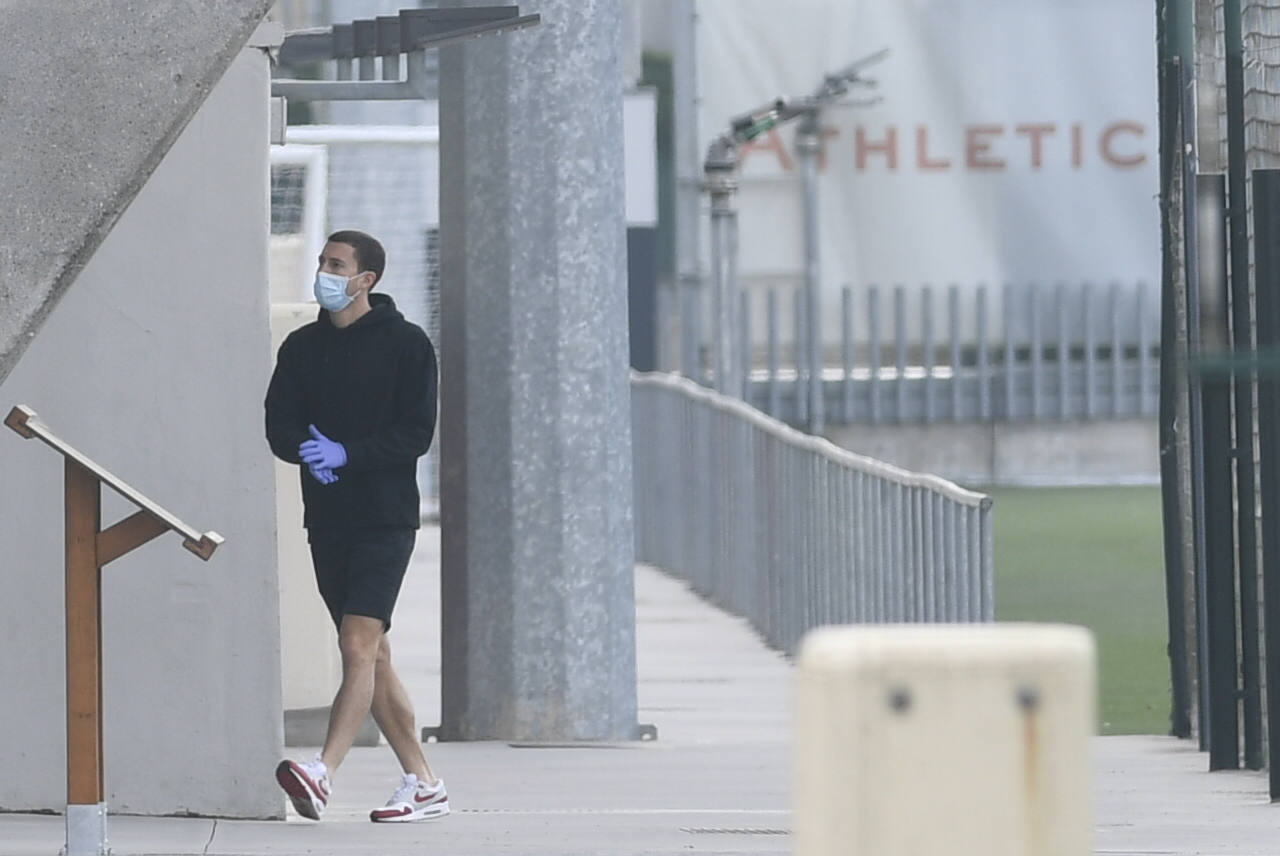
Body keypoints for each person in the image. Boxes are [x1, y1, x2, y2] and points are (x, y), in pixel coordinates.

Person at [264, 229, 446, 823]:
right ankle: (424, 783)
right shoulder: (300, 348)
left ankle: (323, 771)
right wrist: (307, 451)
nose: (324, 272)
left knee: (356, 644)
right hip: (328, 520)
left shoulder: (408, 345)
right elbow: (279, 423)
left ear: (366, 279)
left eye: (336, 265)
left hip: (385, 519)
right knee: (376, 655)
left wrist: (350, 454)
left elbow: (415, 433)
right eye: (323, 262)